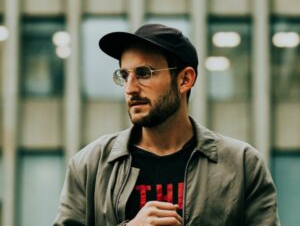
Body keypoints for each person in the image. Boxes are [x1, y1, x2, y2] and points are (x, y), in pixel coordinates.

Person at [54, 24, 280, 225]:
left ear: (184, 80)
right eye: (124, 75)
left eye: (144, 73)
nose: (130, 88)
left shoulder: (241, 165)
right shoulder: (90, 165)